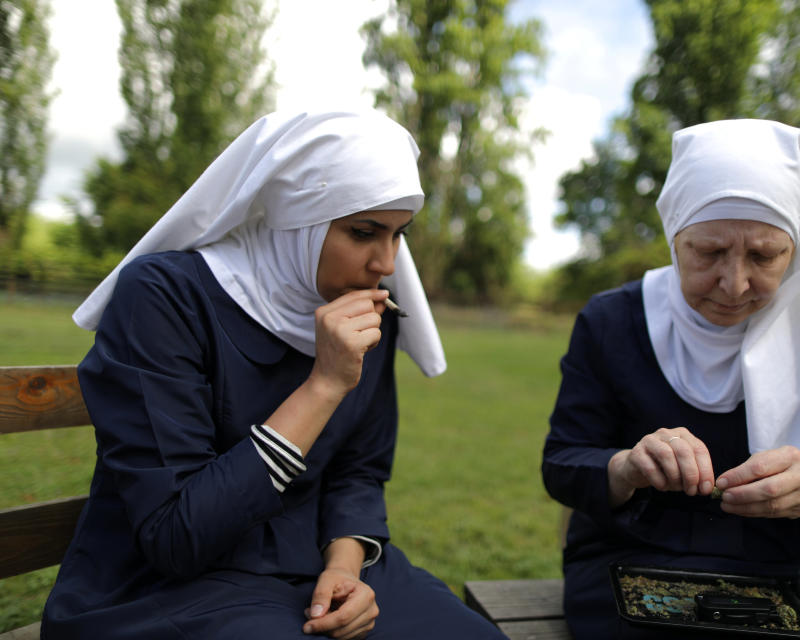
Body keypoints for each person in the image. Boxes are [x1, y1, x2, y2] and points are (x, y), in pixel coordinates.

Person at [42, 109, 506, 640]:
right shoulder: (165, 297)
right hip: (168, 587)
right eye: (363, 232)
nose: (386, 262)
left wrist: (345, 567)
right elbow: (175, 536)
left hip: (314, 560)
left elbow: (359, 471)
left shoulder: (369, 312)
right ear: (298, 218)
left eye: (399, 234)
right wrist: (324, 386)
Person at [541, 119, 800, 638]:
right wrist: (626, 467)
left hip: (797, 572)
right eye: (708, 252)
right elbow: (563, 461)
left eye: (765, 256)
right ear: (674, 237)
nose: (734, 283)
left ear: (797, 251)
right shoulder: (611, 322)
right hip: (636, 562)